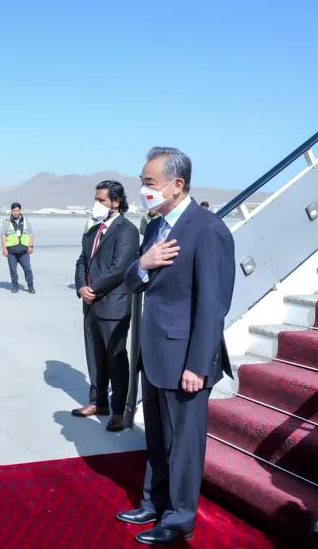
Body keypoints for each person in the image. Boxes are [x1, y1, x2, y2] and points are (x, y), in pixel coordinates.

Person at [117, 147, 234, 545]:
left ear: (177, 184)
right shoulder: (155, 227)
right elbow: (132, 281)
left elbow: (213, 305)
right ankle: (153, 502)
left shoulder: (208, 229)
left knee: (183, 445)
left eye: (149, 183)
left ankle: (179, 519)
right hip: (153, 353)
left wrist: (198, 364)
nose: (143, 189)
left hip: (186, 358)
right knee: (157, 437)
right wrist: (143, 264)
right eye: (142, 182)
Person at [72, 181, 140, 431]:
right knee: (95, 357)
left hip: (113, 307)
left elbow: (119, 268)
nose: (96, 204)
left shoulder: (127, 231)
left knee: (115, 360)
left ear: (116, 202)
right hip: (90, 304)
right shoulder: (93, 230)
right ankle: (97, 401)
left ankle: (119, 410)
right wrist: (82, 286)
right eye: (96, 199)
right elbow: (82, 261)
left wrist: (93, 289)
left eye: (101, 200)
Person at [1, 202, 34, 294]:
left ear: (20, 211)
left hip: (24, 252)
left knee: (28, 270)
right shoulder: (6, 222)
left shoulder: (26, 221)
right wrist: (4, 249)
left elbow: (30, 234)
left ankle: (30, 286)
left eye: (18, 210)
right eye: (14, 210)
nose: (16, 212)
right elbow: (3, 236)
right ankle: (15, 286)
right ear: (11, 211)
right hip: (11, 252)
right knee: (13, 271)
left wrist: (31, 246)